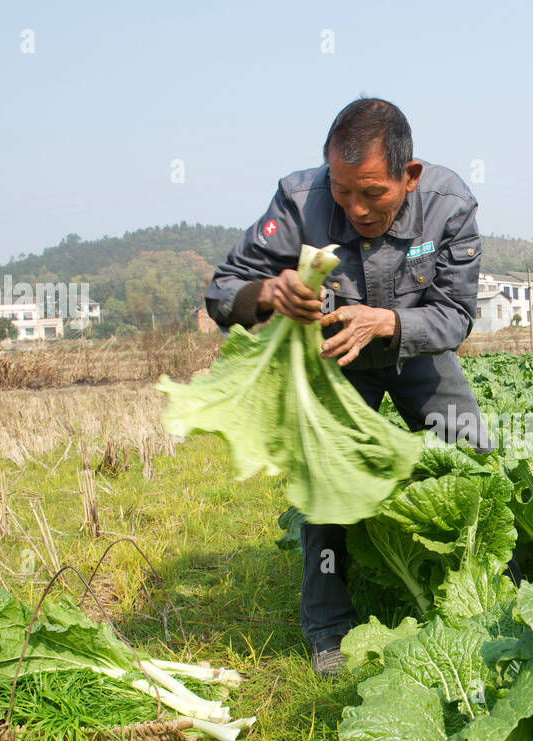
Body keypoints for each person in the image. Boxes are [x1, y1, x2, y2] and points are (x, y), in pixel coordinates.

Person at [204, 97, 492, 676]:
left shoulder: (449, 204)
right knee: (324, 491)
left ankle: (489, 592)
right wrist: (268, 293)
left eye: (372, 193)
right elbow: (222, 291)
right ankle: (330, 631)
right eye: (342, 190)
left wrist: (386, 322)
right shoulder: (298, 199)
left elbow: (456, 315)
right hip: (332, 362)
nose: (356, 207)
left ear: (407, 177)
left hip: (414, 350)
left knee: (475, 464)